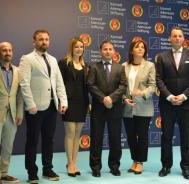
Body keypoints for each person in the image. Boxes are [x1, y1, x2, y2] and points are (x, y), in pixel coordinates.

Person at [19, 29, 68, 184]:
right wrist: (30, 104)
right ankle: (32, 172)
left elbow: (59, 82)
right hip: (35, 108)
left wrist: (63, 101)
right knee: (32, 140)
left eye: (46, 39)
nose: (44, 42)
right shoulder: (27, 59)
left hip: (52, 106)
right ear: (34, 41)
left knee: (49, 140)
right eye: (41, 39)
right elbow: (24, 83)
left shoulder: (53, 60)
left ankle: (47, 169)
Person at [155, 26, 189, 180]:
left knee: (186, 137)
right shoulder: (161, 57)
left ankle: (186, 167)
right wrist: (169, 96)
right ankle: (166, 165)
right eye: (174, 36)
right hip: (167, 104)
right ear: (169, 38)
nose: (177, 38)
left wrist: (183, 96)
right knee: (166, 136)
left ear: (183, 38)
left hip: (186, 104)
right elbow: (158, 79)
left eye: (180, 36)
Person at [87, 40, 127, 177]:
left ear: (114, 51)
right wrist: (103, 98)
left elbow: (123, 86)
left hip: (115, 108)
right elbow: (91, 85)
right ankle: (95, 167)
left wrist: (112, 98)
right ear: (100, 51)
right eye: (105, 49)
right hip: (98, 108)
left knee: (115, 139)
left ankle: (114, 165)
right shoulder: (94, 67)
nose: (108, 51)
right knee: (96, 138)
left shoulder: (120, 68)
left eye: (110, 49)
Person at [0, 42, 23, 184]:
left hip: (13, 115)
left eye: (9, 50)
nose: (7, 53)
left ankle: (4, 173)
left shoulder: (18, 71)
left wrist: (20, 112)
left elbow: (20, 94)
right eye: (4, 50)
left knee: (8, 147)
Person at [122, 39, 156, 174]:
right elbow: (121, 87)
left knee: (142, 136)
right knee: (130, 136)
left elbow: (152, 86)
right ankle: (134, 160)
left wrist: (141, 93)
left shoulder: (150, 66)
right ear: (132, 50)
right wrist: (124, 98)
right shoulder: (124, 66)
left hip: (144, 106)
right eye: (137, 47)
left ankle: (140, 162)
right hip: (127, 107)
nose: (141, 49)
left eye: (143, 47)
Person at [58, 38, 89, 177]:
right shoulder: (64, 63)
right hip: (68, 102)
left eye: (81, 47)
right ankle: (69, 163)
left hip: (82, 102)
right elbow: (59, 83)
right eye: (76, 46)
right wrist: (61, 101)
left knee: (77, 135)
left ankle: (74, 163)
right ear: (72, 48)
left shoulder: (85, 65)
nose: (79, 49)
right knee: (70, 132)